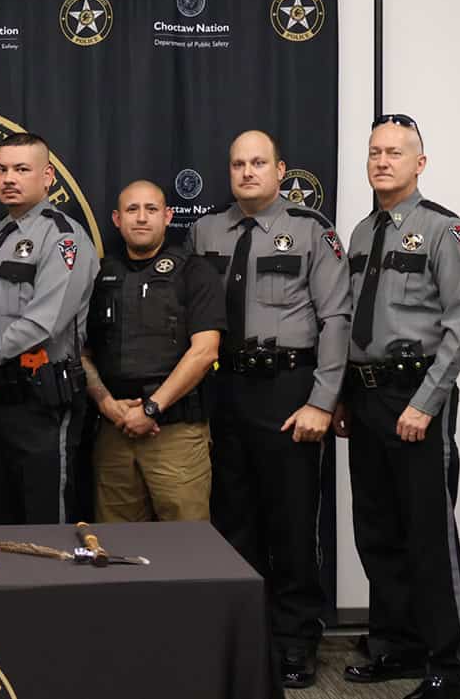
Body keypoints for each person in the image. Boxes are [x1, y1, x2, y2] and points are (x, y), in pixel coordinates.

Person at [184, 130, 351, 688]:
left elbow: (336, 321)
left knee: (292, 521)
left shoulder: (311, 231)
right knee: (233, 521)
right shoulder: (205, 230)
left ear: (281, 171)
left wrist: (322, 402)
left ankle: (296, 639)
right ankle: (244, 637)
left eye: (259, 163)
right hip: (224, 389)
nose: (247, 172)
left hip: (288, 390)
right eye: (238, 163)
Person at [337, 114, 460, 699]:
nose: (381, 161)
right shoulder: (362, 232)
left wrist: (426, 402)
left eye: (394, 152)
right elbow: (350, 322)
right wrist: (346, 396)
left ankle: (450, 662)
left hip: (416, 394)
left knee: (427, 532)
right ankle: (396, 646)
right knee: (376, 529)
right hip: (367, 396)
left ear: (419, 163)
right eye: (374, 151)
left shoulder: (445, 231)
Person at [0, 132, 99, 525]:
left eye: (22, 169)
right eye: (1, 169)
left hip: (41, 404)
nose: (9, 178)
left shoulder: (64, 238)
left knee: (46, 521)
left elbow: (41, 323)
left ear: (48, 176)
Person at [81, 180, 224, 522]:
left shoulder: (195, 271)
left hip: (175, 434)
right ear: (117, 219)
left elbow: (205, 352)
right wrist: (105, 402)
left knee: (187, 549)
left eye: (151, 209)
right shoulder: (100, 275)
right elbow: (81, 351)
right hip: (114, 431)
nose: (141, 218)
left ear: (168, 216)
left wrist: (151, 409)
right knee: (117, 551)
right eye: (132, 210)